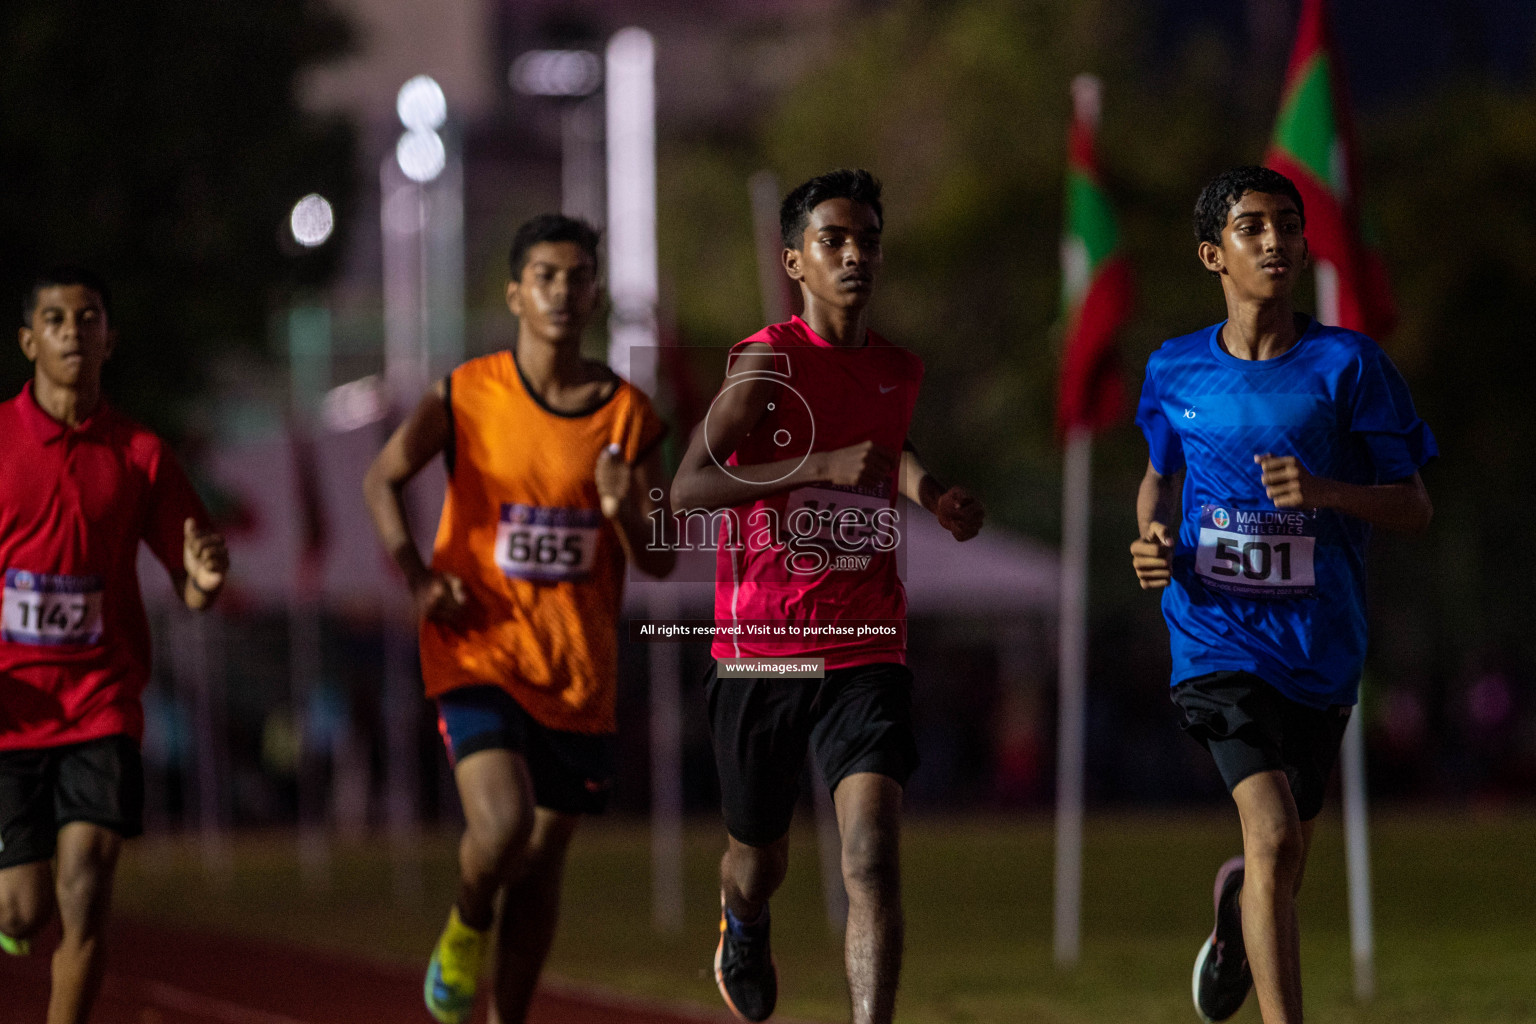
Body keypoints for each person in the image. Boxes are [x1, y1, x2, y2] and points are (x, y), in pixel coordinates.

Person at [670, 168, 984, 1024]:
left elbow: (892, 444)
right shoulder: (767, 362)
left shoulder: (897, 367)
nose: (854, 256)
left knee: (873, 856)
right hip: (759, 650)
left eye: (868, 241)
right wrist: (816, 466)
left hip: (866, 645)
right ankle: (743, 918)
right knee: (757, 856)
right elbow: (690, 488)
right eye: (833, 241)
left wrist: (931, 493)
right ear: (795, 261)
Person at [1129, 166, 1435, 1024]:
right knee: (1268, 832)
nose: (1276, 242)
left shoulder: (1350, 365)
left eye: (1289, 226)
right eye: (1254, 227)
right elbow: (1156, 483)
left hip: (1319, 648)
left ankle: (1234, 927)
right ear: (1211, 254)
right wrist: (1151, 541)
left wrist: (1328, 492)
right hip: (1214, 635)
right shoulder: (1174, 369)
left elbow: (1413, 505)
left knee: (1284, 854)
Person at [363, 214, 673, 1024]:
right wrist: (415, 573)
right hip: (478, 649)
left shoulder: (630, 417)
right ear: (515, 293)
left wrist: (624, 512)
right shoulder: (468, 393)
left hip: (577, 670)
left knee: (541, 862)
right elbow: (384, 477)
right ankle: (467, 921)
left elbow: (663, 556)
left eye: (577, 277)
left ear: (596, 294)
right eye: (545, 275)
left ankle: (510, 1017)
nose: (562, 291)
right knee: (501, 830)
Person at [0, 267, 228, 1024]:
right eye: (57, 320)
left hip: (101, 701)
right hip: (11, 706)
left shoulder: (141, 454)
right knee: (23, 911)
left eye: (88, 317)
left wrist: (203, 577)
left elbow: (194, 584)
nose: (74, 331)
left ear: (109, 338)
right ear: (29, 341)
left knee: (89, 884)